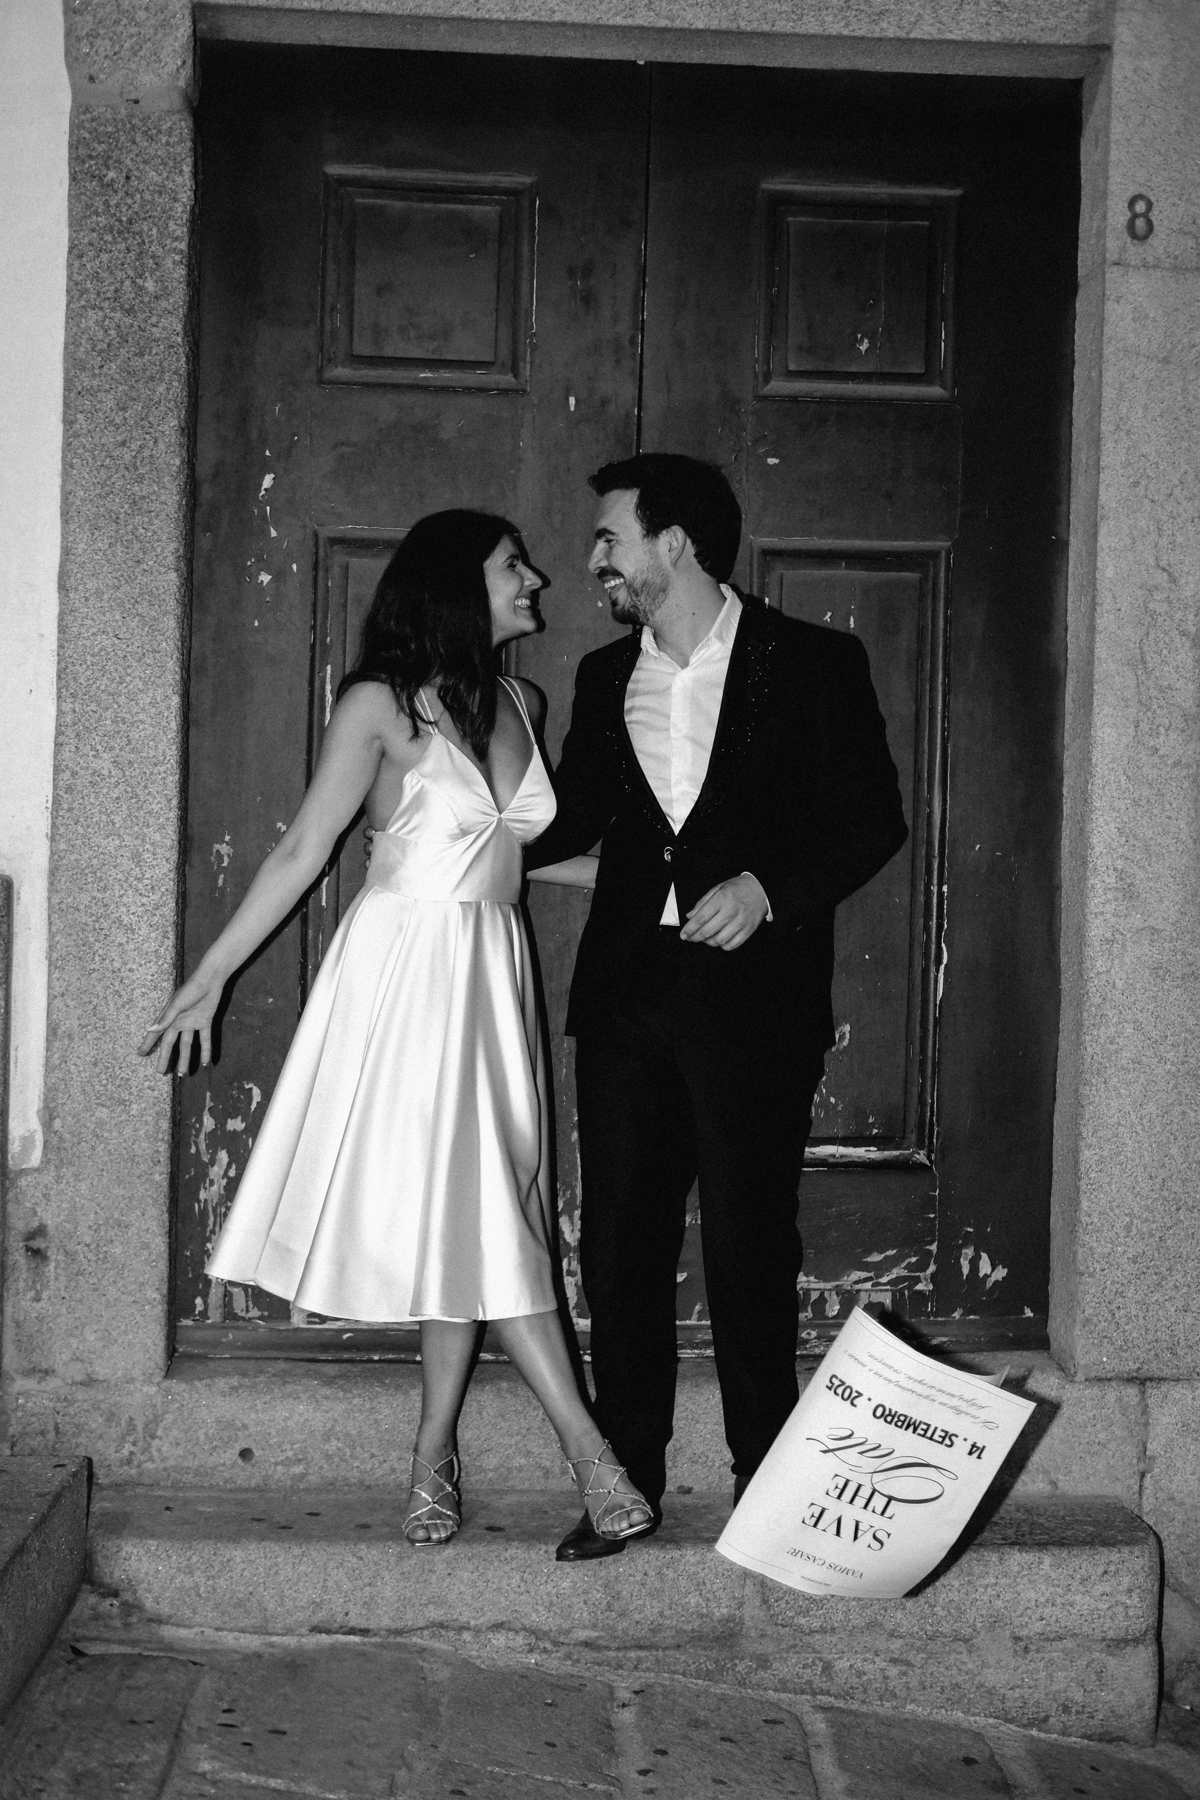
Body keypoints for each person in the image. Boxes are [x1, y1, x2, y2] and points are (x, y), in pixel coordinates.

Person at [139, 510, 653, 1552]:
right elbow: (304, 849)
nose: (537, 579)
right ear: (457, 583)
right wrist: (208, 979)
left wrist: (661, 887)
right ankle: (591, 1456)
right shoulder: (377, 704)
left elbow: (509, 851)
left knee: (473, 1214)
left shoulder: (521, 700)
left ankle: (432, 1450)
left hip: (493, 973)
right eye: (513, 566)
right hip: (408, 975)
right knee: (491, 1212)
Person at [524, 455, 909, 1561]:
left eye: (610, 538)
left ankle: (764, 1484)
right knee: (619, 1247)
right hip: (628, 997)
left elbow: (871, 819)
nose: (594, 560)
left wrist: (769, 891)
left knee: (749, 1242)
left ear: (675, 543)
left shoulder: (814, 661)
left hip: (755, 1000)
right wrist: (447, 814)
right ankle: (628, 1484)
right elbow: (570, 817)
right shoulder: (606, 675)